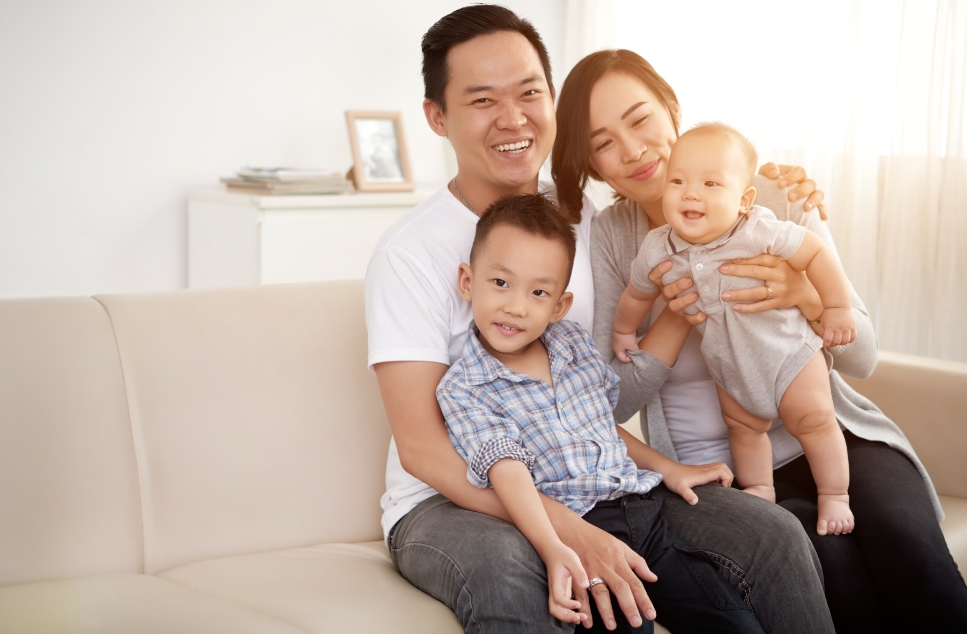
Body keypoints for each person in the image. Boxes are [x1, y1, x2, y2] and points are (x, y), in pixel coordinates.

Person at [367, 5, 832, 632]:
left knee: (770, 534)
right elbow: (424, 450)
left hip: (594, 477)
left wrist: (777, 194)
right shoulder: (410, 253)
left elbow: (591, 390)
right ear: (437, 117)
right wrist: (569, 531)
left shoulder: (589, 221)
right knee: (511, 575)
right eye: (482, 100)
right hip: (449, 500)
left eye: (530, 92)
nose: (513, 118)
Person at [551, 47, 967, 632]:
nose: (633, 150)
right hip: (725, 469)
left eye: (641, 119)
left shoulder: (769, 197)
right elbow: (608, 403)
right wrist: (671, 319)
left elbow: (863, 355)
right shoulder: (617, 241)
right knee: (832, 561)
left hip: (829, 434)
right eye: (603, 142)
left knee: (906, 543)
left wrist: (805, 294)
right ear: (591, 163)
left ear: (673, 111)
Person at [440, 193, 761, 633]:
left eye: (538, 292)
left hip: (642, 513)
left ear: (559, 306)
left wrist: (670, 468)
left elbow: (602, 428)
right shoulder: (466, 387)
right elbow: (507, 472)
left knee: (735, 622)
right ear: (466, 281)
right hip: (575, 527)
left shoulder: (571, 345)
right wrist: (554, 547)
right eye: (500, 283)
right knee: (630, 624)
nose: (516, 306)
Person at [611, 124, 856, 536]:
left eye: (710, 183)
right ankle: (760, 487)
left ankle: (835, 494)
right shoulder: (659, 246)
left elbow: (815, 252)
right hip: (730, 365)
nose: (691, 193)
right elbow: (637, 293)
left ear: (743, 201)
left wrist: (835, 306)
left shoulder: (758, 229)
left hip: (789, 354)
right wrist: (623, 332)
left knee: (815, 420)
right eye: (678, 181)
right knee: (743, 428)